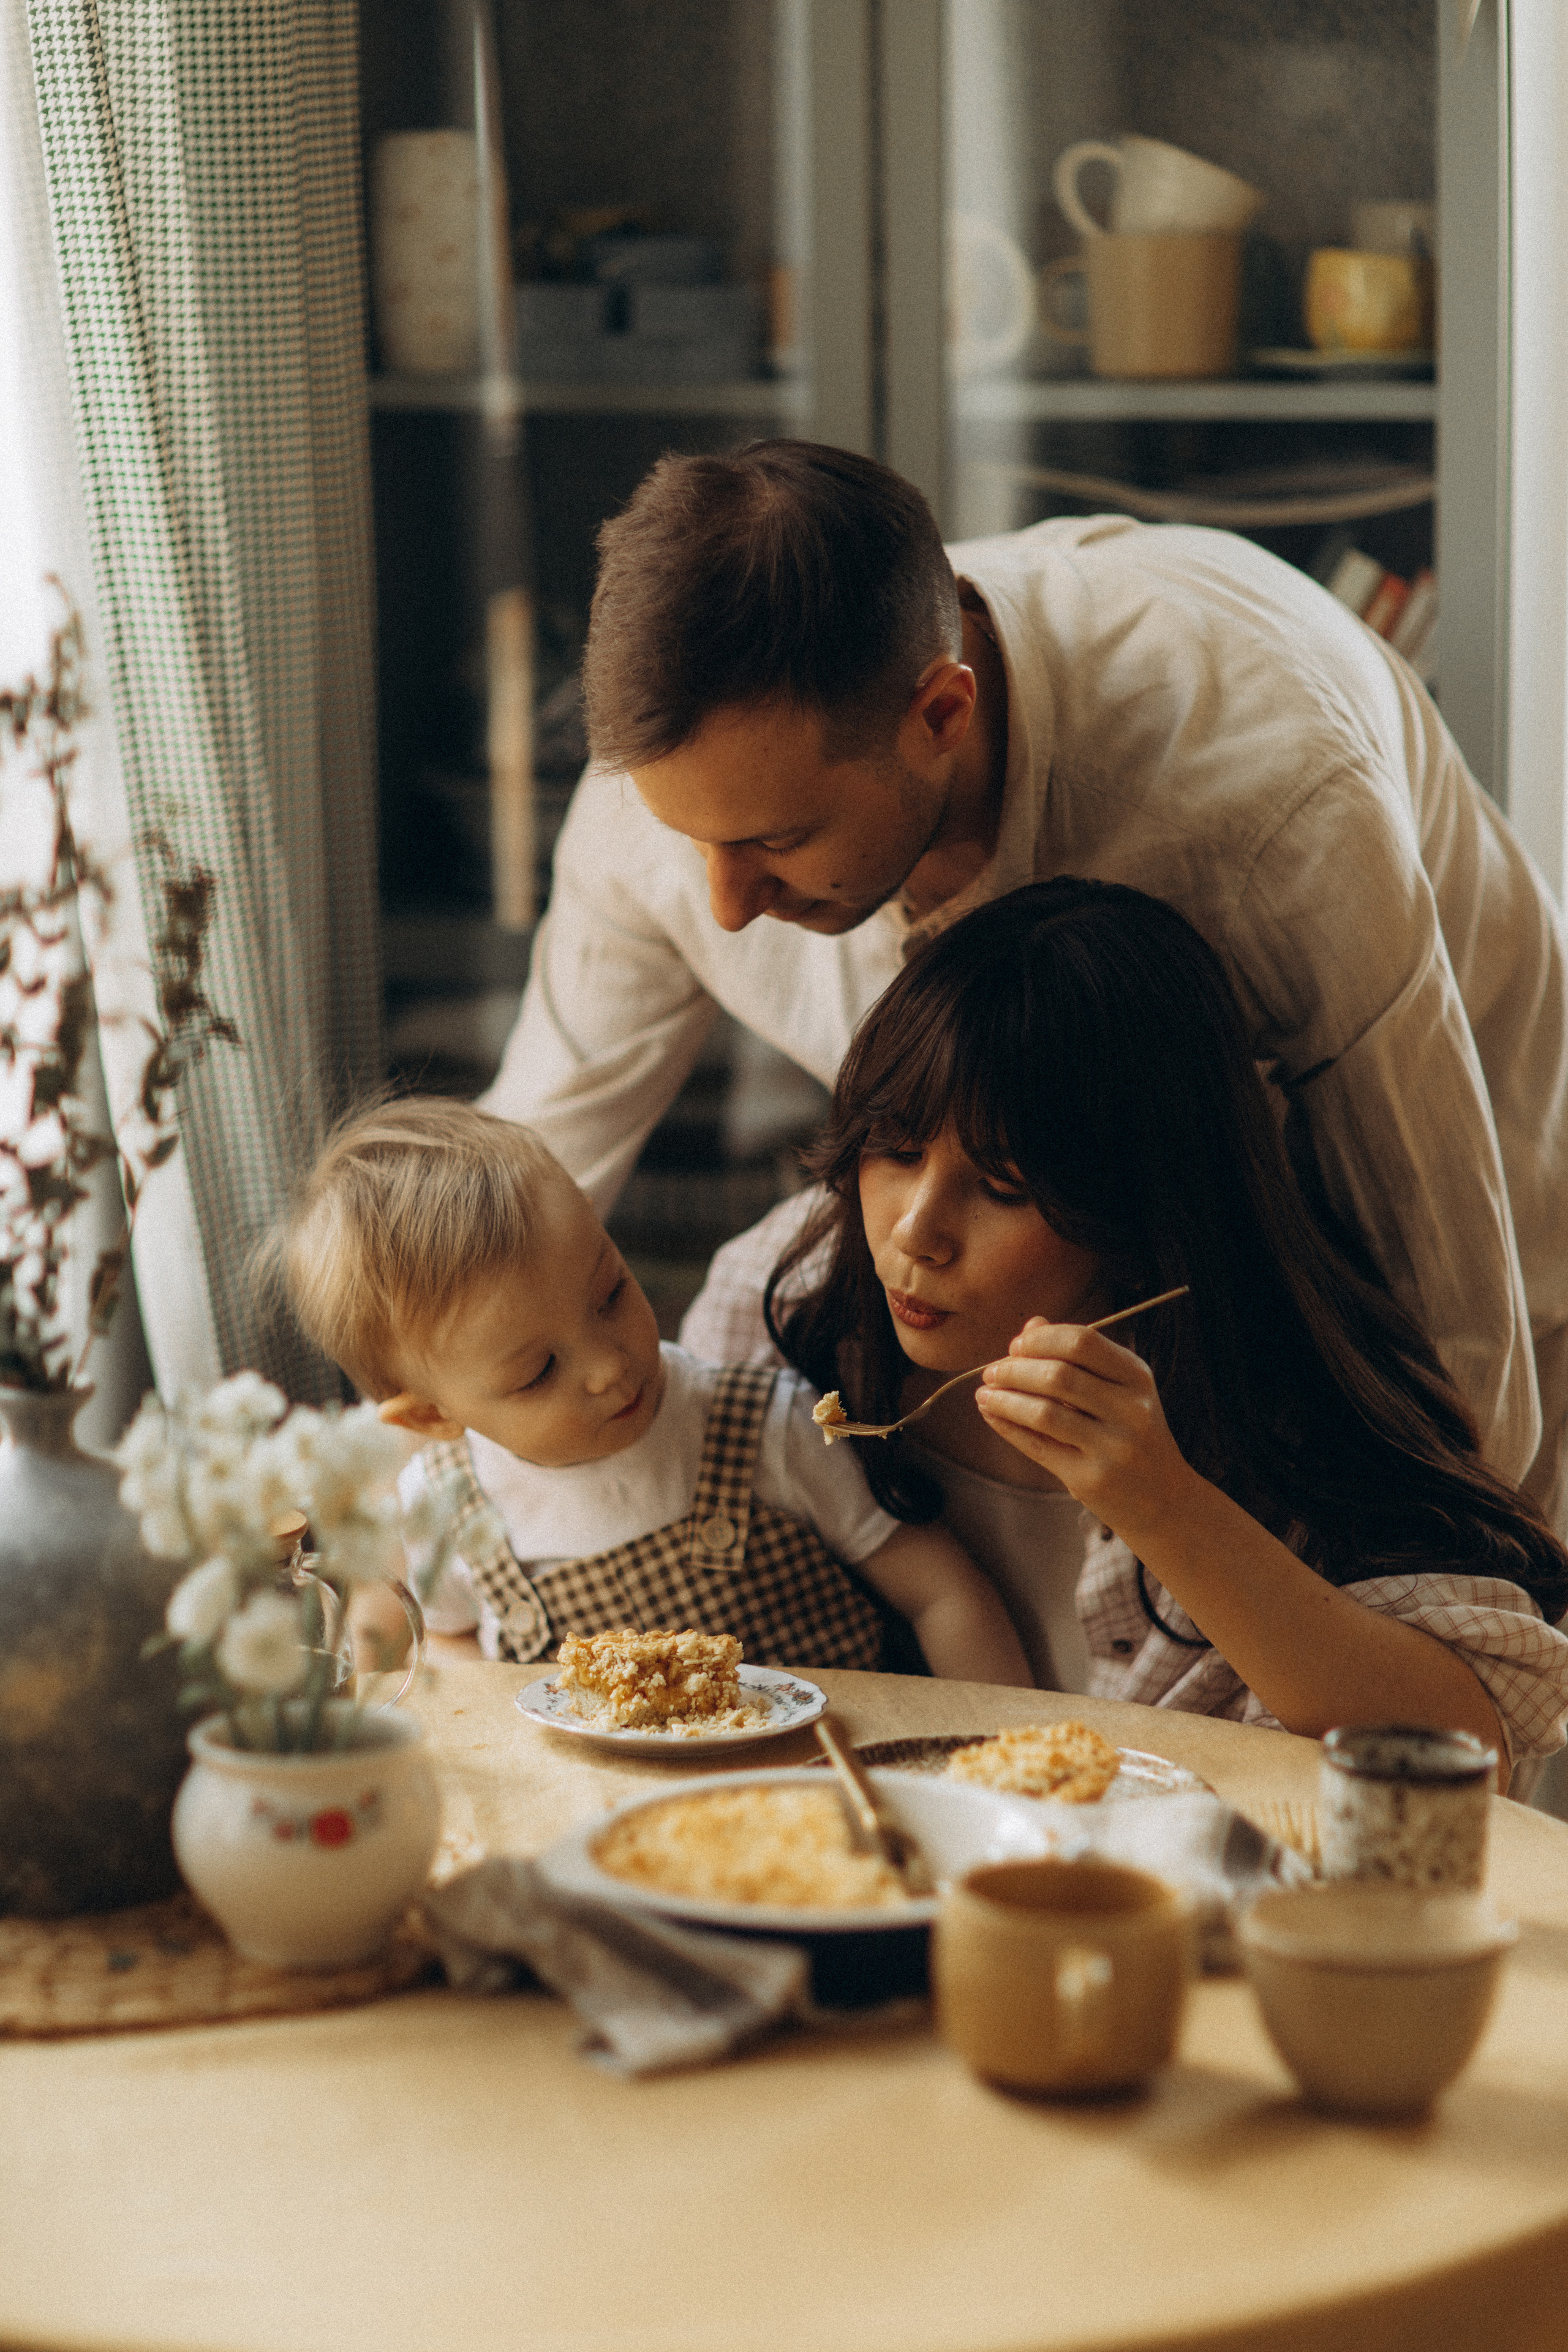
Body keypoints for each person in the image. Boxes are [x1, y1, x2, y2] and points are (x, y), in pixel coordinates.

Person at [483, 440, 1568, 1535]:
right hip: (1069, 1368)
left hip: (1500, 1261)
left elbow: (1460, 1329)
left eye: (779, 839)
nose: (722, 905)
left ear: (942, 716)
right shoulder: (679, 781)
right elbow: (500, 1217)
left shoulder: (1264, 793)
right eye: (691, 840)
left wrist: (1466, 1610)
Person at [764, 878, 1568, 1784]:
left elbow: (1471, 1752)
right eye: (897, 1151)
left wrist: (1164, 1503)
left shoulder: (1275, 1418)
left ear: (1143, 1218)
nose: (916, 1231)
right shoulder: (794, 1323)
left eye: (1003, 1188)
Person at [272, 1096, 1030, 1686]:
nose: (608, 1366)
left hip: (815, 1819)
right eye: (539, 1372)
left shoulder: (763, 1426)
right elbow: (443, 1635)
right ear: (433, 1416)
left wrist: (1009, 1766)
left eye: (610, 1295)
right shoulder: (442, 1508)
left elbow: (942, 1594)